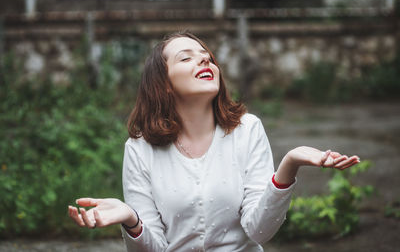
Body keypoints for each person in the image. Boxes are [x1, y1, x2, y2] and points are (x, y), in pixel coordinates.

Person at [68, 31, 360, 252]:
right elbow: (154, 248)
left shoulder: (247, 130)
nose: (204, 58)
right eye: (186, 57)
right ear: (164, 86)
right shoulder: (139, 149)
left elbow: (259, 231)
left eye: (206, 55)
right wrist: (131, 220)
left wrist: (289, 165)